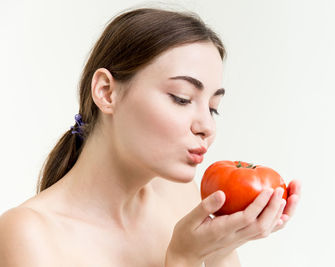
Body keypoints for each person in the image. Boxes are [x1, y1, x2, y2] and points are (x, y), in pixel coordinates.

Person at [0, 7, 301, 267]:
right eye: (182, 98)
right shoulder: (28, 233)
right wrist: (183, 259)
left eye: (213, 108)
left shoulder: (182, 197)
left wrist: (221, 252)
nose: (207, 126)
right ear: (106, 92)